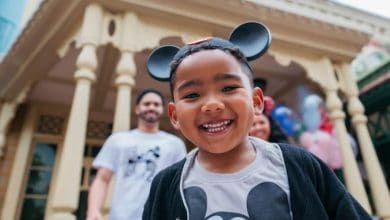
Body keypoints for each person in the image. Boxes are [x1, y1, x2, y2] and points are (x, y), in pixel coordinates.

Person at [143, 22, 370, 220]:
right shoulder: (166, 185)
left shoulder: (300, 165)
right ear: (174, 116)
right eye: (192, 95)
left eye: (229, 88)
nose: (212, 104)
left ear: (256, 101)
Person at [87, 88, 187, 220]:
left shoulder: (175, 144)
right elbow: (102, 179)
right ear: (137, 109)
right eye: (147, 104)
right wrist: (93, 210)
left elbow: (180, 184)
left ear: (163, 110)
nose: (151, 107)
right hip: (121, 216)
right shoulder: (118, 140)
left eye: (156, 104)